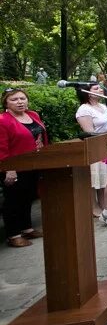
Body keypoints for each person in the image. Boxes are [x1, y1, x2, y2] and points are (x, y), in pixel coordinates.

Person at [1, 88, 47, 247]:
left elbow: (41, 136)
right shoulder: (3, 120)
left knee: (28, 196)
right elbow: (2, 148)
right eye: (14, 99)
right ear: (6, 102)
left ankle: (26, 229)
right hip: (14, 167)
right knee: (14, 200)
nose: (20, 102)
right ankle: (13, 235)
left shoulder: (33, 115)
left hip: (34, 165)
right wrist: (9, 168)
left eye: (22, 98)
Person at [75, 83, 107, 226]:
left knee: (105, 179)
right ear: (86, 92)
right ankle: (94, 207)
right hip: (97, 146)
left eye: (100, 88)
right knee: (96, 179)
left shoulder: (104, 106)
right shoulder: (84, 109)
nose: (100, 90)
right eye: (96, 89)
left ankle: (105, 205)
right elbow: (89, 132)